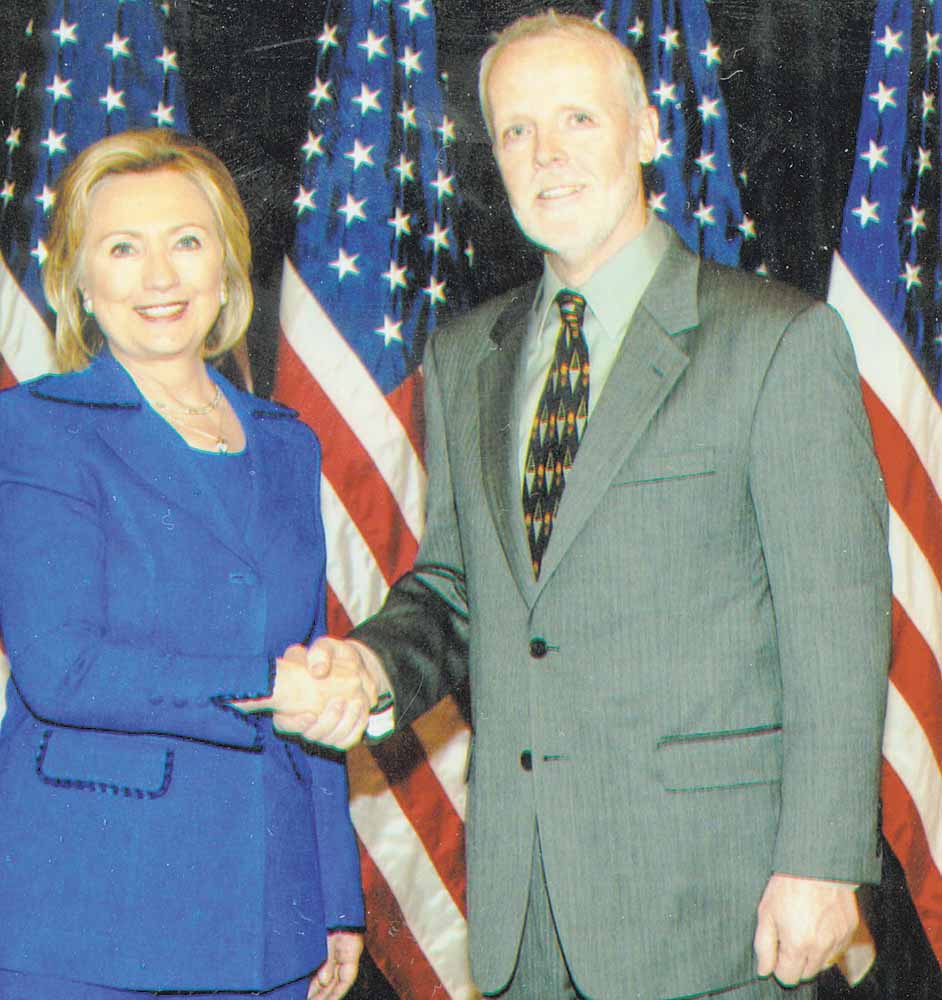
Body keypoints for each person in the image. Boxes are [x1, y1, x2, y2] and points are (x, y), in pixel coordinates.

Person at [254, 12, 892, 1000]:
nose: (546, 156)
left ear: (644, 131)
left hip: (717, 911)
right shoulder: (468, 354)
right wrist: (371, 662)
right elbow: (460, 587)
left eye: (577, 121)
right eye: (516, 131)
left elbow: (838, 627)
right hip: (523, 912)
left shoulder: (778, 342)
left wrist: (822, 860)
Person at [0, 129, 370, 1000]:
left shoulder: (289, 445)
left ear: (227, 270)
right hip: (91, 913)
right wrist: (268, 685)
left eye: (187, 242)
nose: (160, 278)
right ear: (79, 281)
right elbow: (63, 669)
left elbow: (312, 660)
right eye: (122, 249)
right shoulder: (39, 429)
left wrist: (337, 897)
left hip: (268, 912)